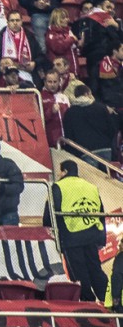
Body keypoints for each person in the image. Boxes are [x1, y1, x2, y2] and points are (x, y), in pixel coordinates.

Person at [45, 160, 109, 303]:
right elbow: (101, 212)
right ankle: (108, 299)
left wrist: (49, 229)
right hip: (92, 234)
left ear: (65, 171)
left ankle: (87, 302)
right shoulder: (91, 186)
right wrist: (102, 239)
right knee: (95, 269)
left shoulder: (58, 186)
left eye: (60, 171)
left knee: (78, 272)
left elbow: (50, 212)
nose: (59, 174)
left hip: (71, 234)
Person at [62, 85, 119, 166]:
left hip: (85, 151)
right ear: (87, 93)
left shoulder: (70, 112)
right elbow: (112, 128)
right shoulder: (101, 107)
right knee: (106, 174)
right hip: (104, 148)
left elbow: (69, 134)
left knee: (91, 174)